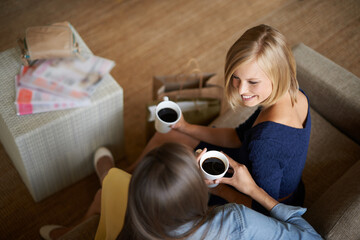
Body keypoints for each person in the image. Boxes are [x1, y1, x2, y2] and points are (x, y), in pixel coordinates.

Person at [126, 24, 311, 213]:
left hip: (253, 201)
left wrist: (218, 188)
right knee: (168, 136)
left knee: (168, 179)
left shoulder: (267, 141)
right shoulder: (294, 93)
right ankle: (128, 175)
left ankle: (125, 187)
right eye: (236, 77)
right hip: (252, 165)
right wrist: (185, 126)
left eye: (253, 82)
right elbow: (238, 136)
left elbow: (264, 212)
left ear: (278, 75)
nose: (241, 90)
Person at [40, 143, 321, 239]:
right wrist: (254, 191)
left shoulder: (141, 215)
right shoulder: (236, 220)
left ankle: (103, 181)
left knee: (114, 184)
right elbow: (312, 238)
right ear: (197, 193)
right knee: (114, 185)